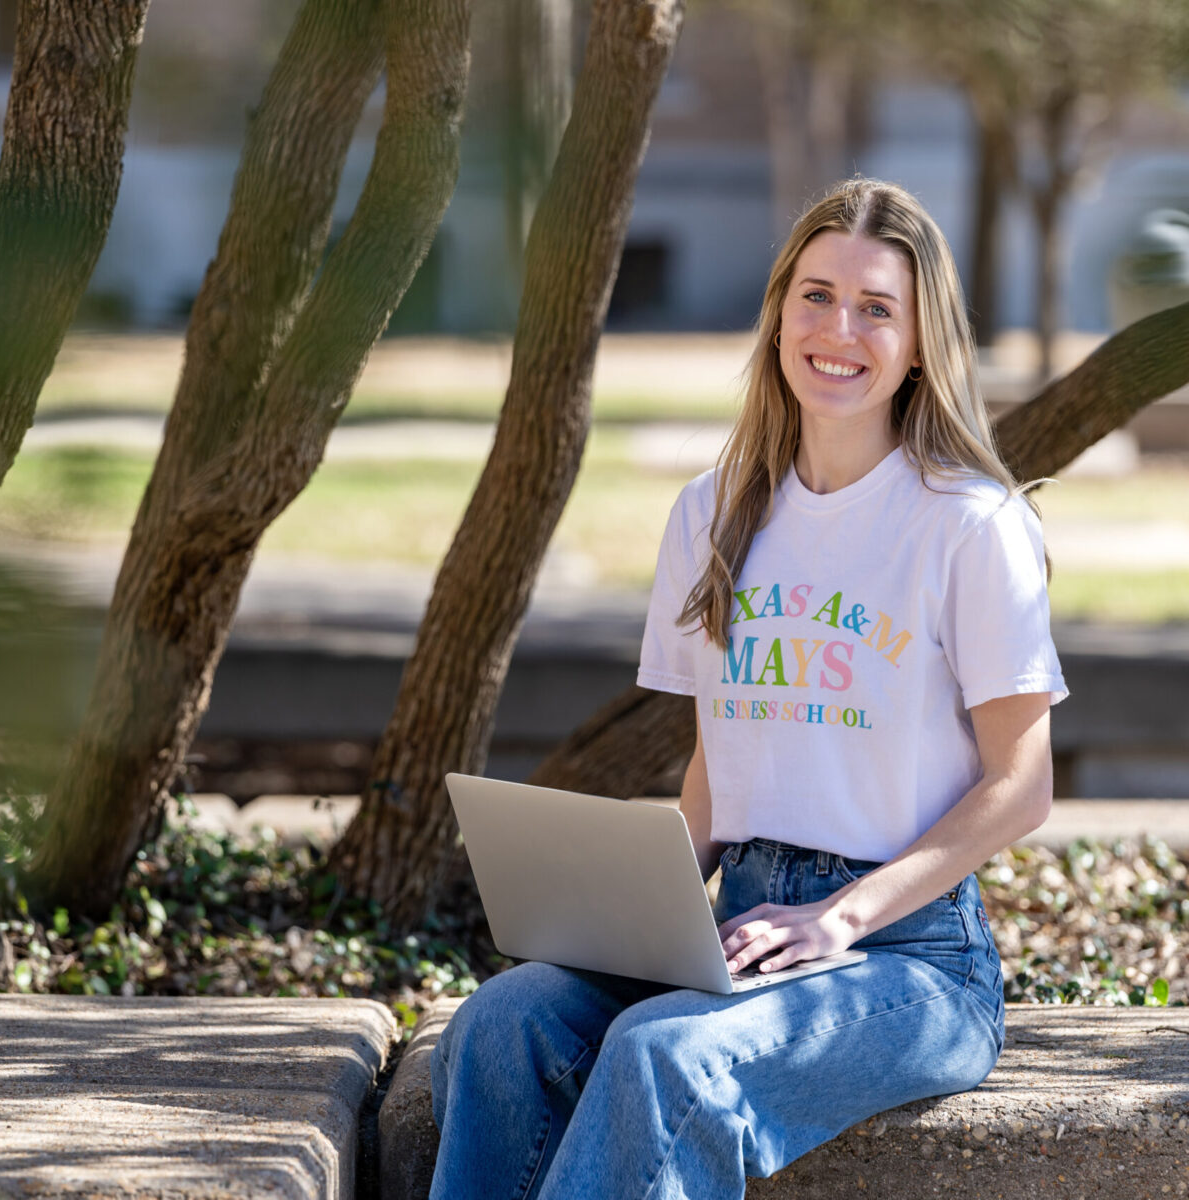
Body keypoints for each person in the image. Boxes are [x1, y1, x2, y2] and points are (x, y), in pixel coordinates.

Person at [428, 177, 1067, 1200]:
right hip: (745, 922)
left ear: (918, 343)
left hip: (910, 959)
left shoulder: (968, 525)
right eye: (815, 295)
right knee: (504, 1024)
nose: (839, 329)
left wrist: (843, 920)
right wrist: (634, 905)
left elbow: (1020, 786)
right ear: (777, 312)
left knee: (667, 1054)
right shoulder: (714, 511)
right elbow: (724, 763)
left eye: (876, 308)